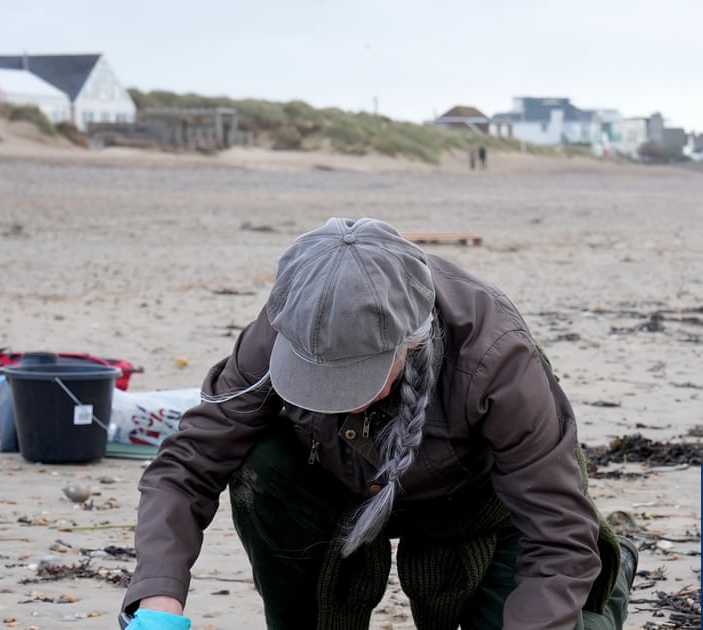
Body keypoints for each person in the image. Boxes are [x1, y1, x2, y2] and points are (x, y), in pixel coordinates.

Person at [119, 218, 635, 629]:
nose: (334, 398)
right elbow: (187, 466)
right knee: (262, 463)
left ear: (412, 342)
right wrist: (157, 595)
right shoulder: (283, 328)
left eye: (353, 378)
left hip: (478, 509)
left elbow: (557, 532)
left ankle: (612, 584)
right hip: (342, 493)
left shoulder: (497, 357)